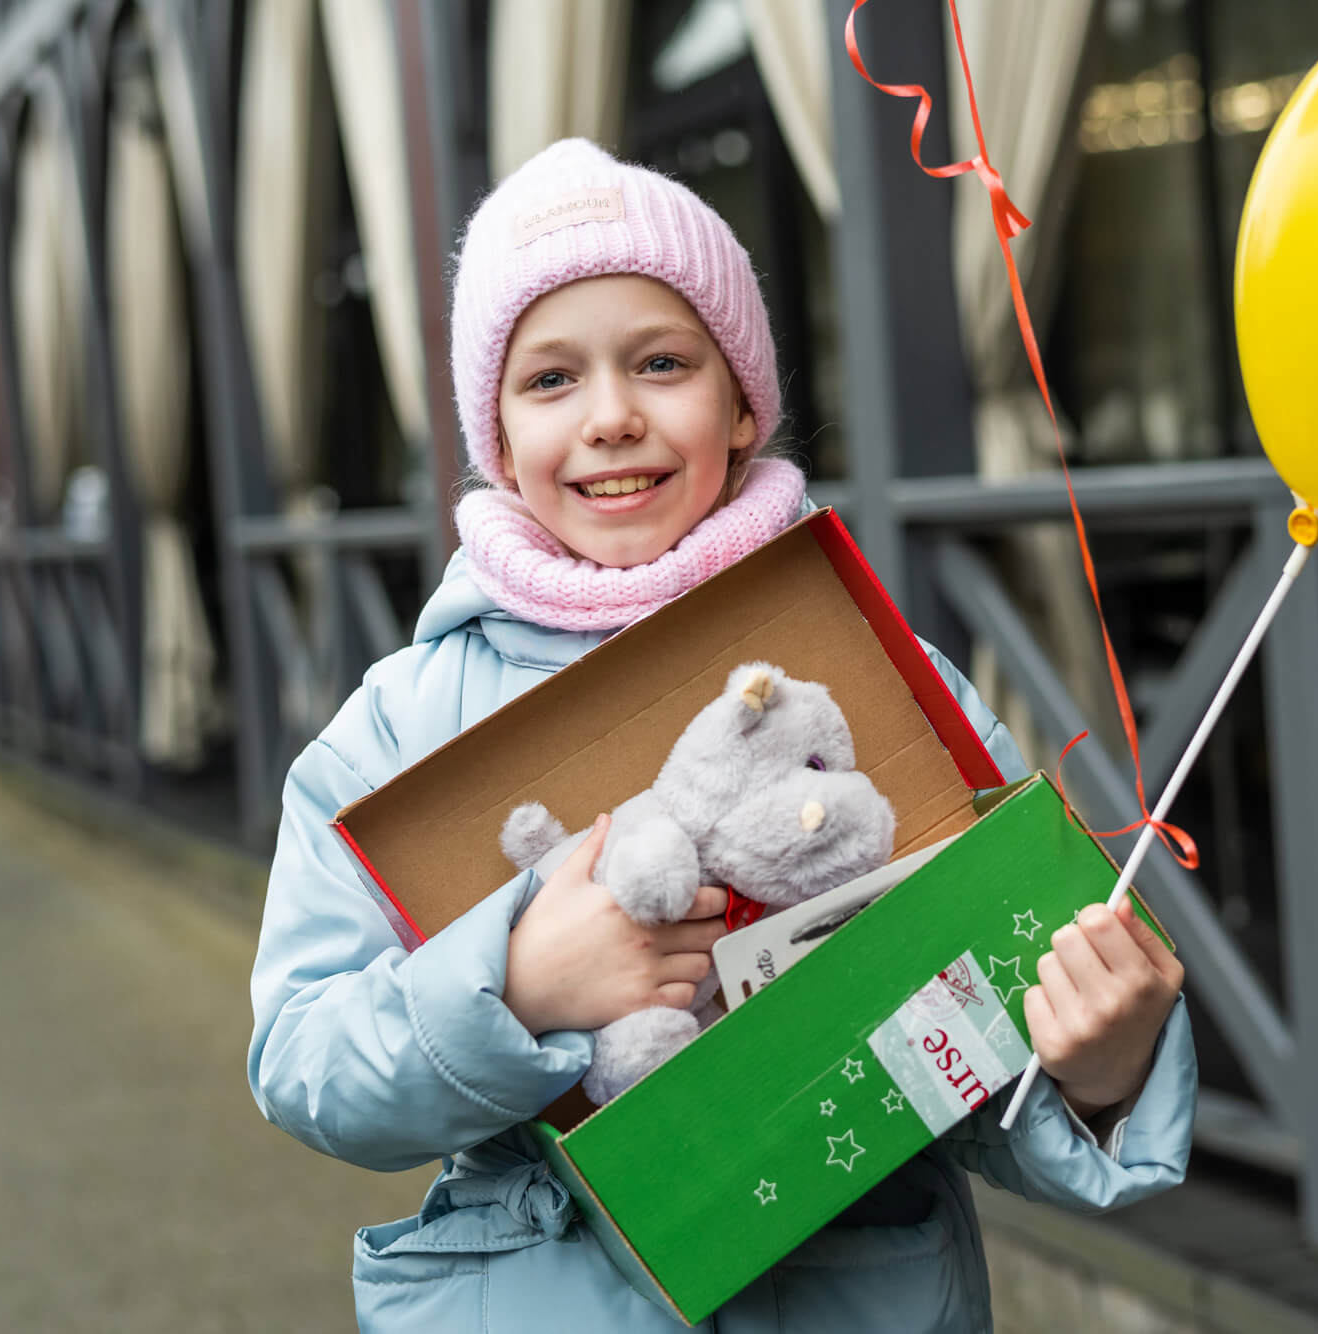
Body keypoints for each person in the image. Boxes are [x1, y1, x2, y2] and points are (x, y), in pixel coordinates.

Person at [247, 139, 1196, 1331]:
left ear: (743, 399)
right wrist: (515, 981)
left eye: (660, 361)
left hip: (858, 1286)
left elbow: (995, 996)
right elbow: (303, 1062)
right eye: (549, 380)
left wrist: (1098, 1069)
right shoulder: (392, 727)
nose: (609, 417)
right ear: (492, 430)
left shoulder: (873, 673)